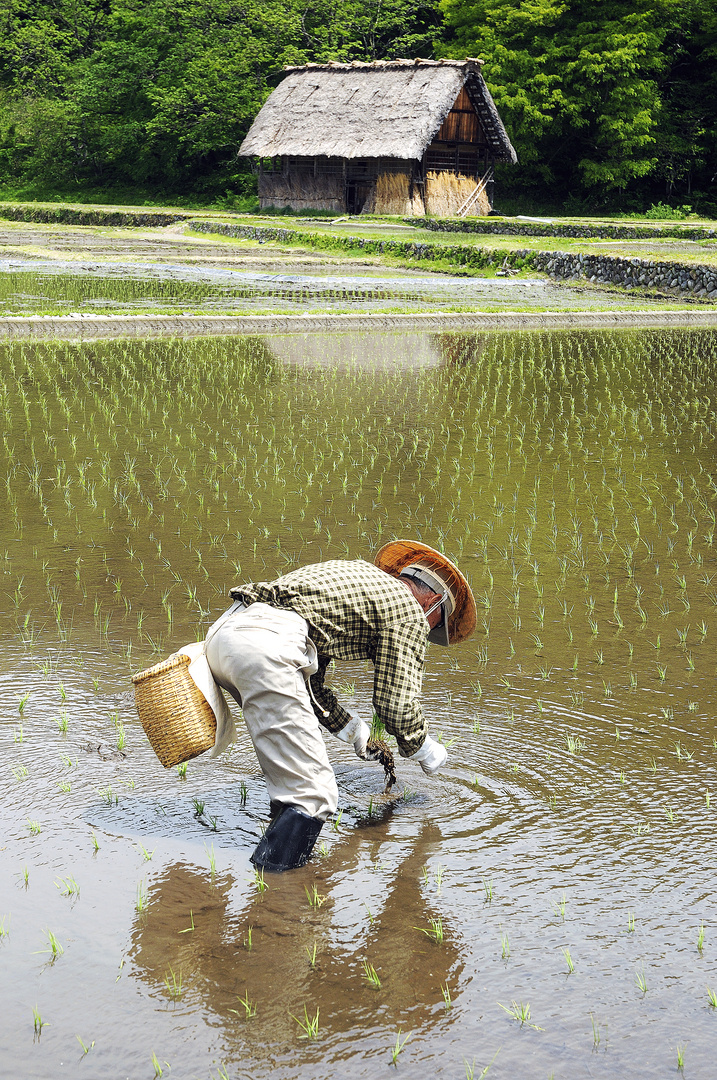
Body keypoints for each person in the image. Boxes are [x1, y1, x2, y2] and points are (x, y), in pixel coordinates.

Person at [204, 540, 476, 872]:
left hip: (224, 635)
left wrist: (354, 732)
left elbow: (311, 686)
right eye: (435, 624)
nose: (428, 629)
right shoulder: (409, 610)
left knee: (291, 779)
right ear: (433, 601)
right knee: (315, 794)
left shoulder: (359, 578)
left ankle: (278, 857)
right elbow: (395, 703)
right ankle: (276, 891)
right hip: (265, 649)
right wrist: (423, 747)